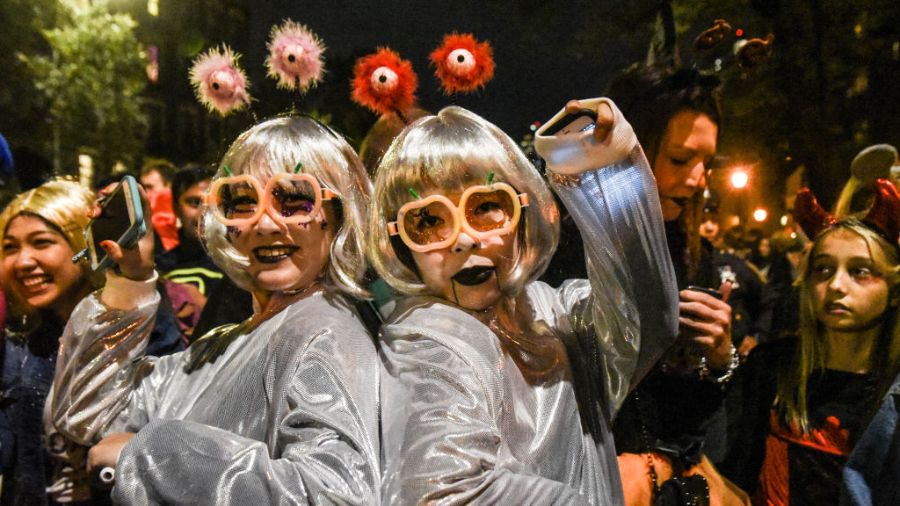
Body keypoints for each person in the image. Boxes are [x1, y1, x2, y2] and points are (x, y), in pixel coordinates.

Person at [46, 116, 381, 504]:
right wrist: (129, 280)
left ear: (339, 215)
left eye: (294, 201)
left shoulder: (326, 333)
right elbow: (91, 417)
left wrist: (150, 457)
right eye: (241, 201)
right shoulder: (231, 340)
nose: (266, 223)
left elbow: (334, 494)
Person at [369, 102, 678, 503]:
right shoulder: (419, 342)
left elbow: (646, 317)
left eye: (485, 207)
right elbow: (446, 492)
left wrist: (609, 170)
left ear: (523, 209)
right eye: (428, 220)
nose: (463, 239)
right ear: (400, 243)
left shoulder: (556, 313)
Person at [0, 178, 182, 505]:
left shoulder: (143, 319)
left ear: (83, 244)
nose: (23, 261)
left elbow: (170, 425)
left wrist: (134, 282)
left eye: (41, 243)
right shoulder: (19, 342)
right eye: (10, 247)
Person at [719, 181, 900, 504]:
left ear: (894, 291)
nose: (836, 285)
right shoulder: (771, 368)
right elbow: (730, 476)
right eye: (823, 269)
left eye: (860, 271)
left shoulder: (893, 394)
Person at [157, 164, 252, 340]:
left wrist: (205, 307)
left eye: (214, 202)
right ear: (176, 208)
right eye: (194, 202)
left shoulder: (240, 264)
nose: (204, 212)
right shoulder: (160, 267)